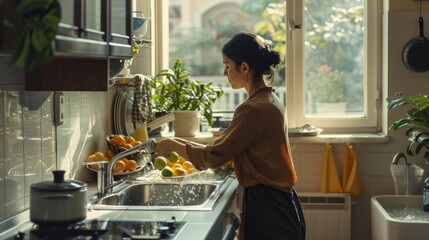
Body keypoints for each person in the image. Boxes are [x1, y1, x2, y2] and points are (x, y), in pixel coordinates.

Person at [155, 32, 306, 240]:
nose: (225, 72)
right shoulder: (270, 100)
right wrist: (174, 142)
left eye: (227, 66)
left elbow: (212, 157)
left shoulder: (253, 109)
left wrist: (171, 144)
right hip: (281, 205)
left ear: (244, 67)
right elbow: (224, 147)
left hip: (269, 210)